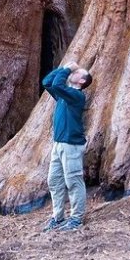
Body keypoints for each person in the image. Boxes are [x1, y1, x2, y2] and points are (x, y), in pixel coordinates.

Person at [41, 64, 92, 232]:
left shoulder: (76, 96)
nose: (73, 73)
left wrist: (67, 69)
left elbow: (56, 84)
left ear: (82, 81)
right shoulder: (64, 95)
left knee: (73, 181)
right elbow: (48, 82)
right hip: (58, 144)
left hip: (72, 145)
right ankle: (58, 218)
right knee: (54, 181)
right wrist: (63, 67)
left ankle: (76, 219)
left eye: (77, 73)